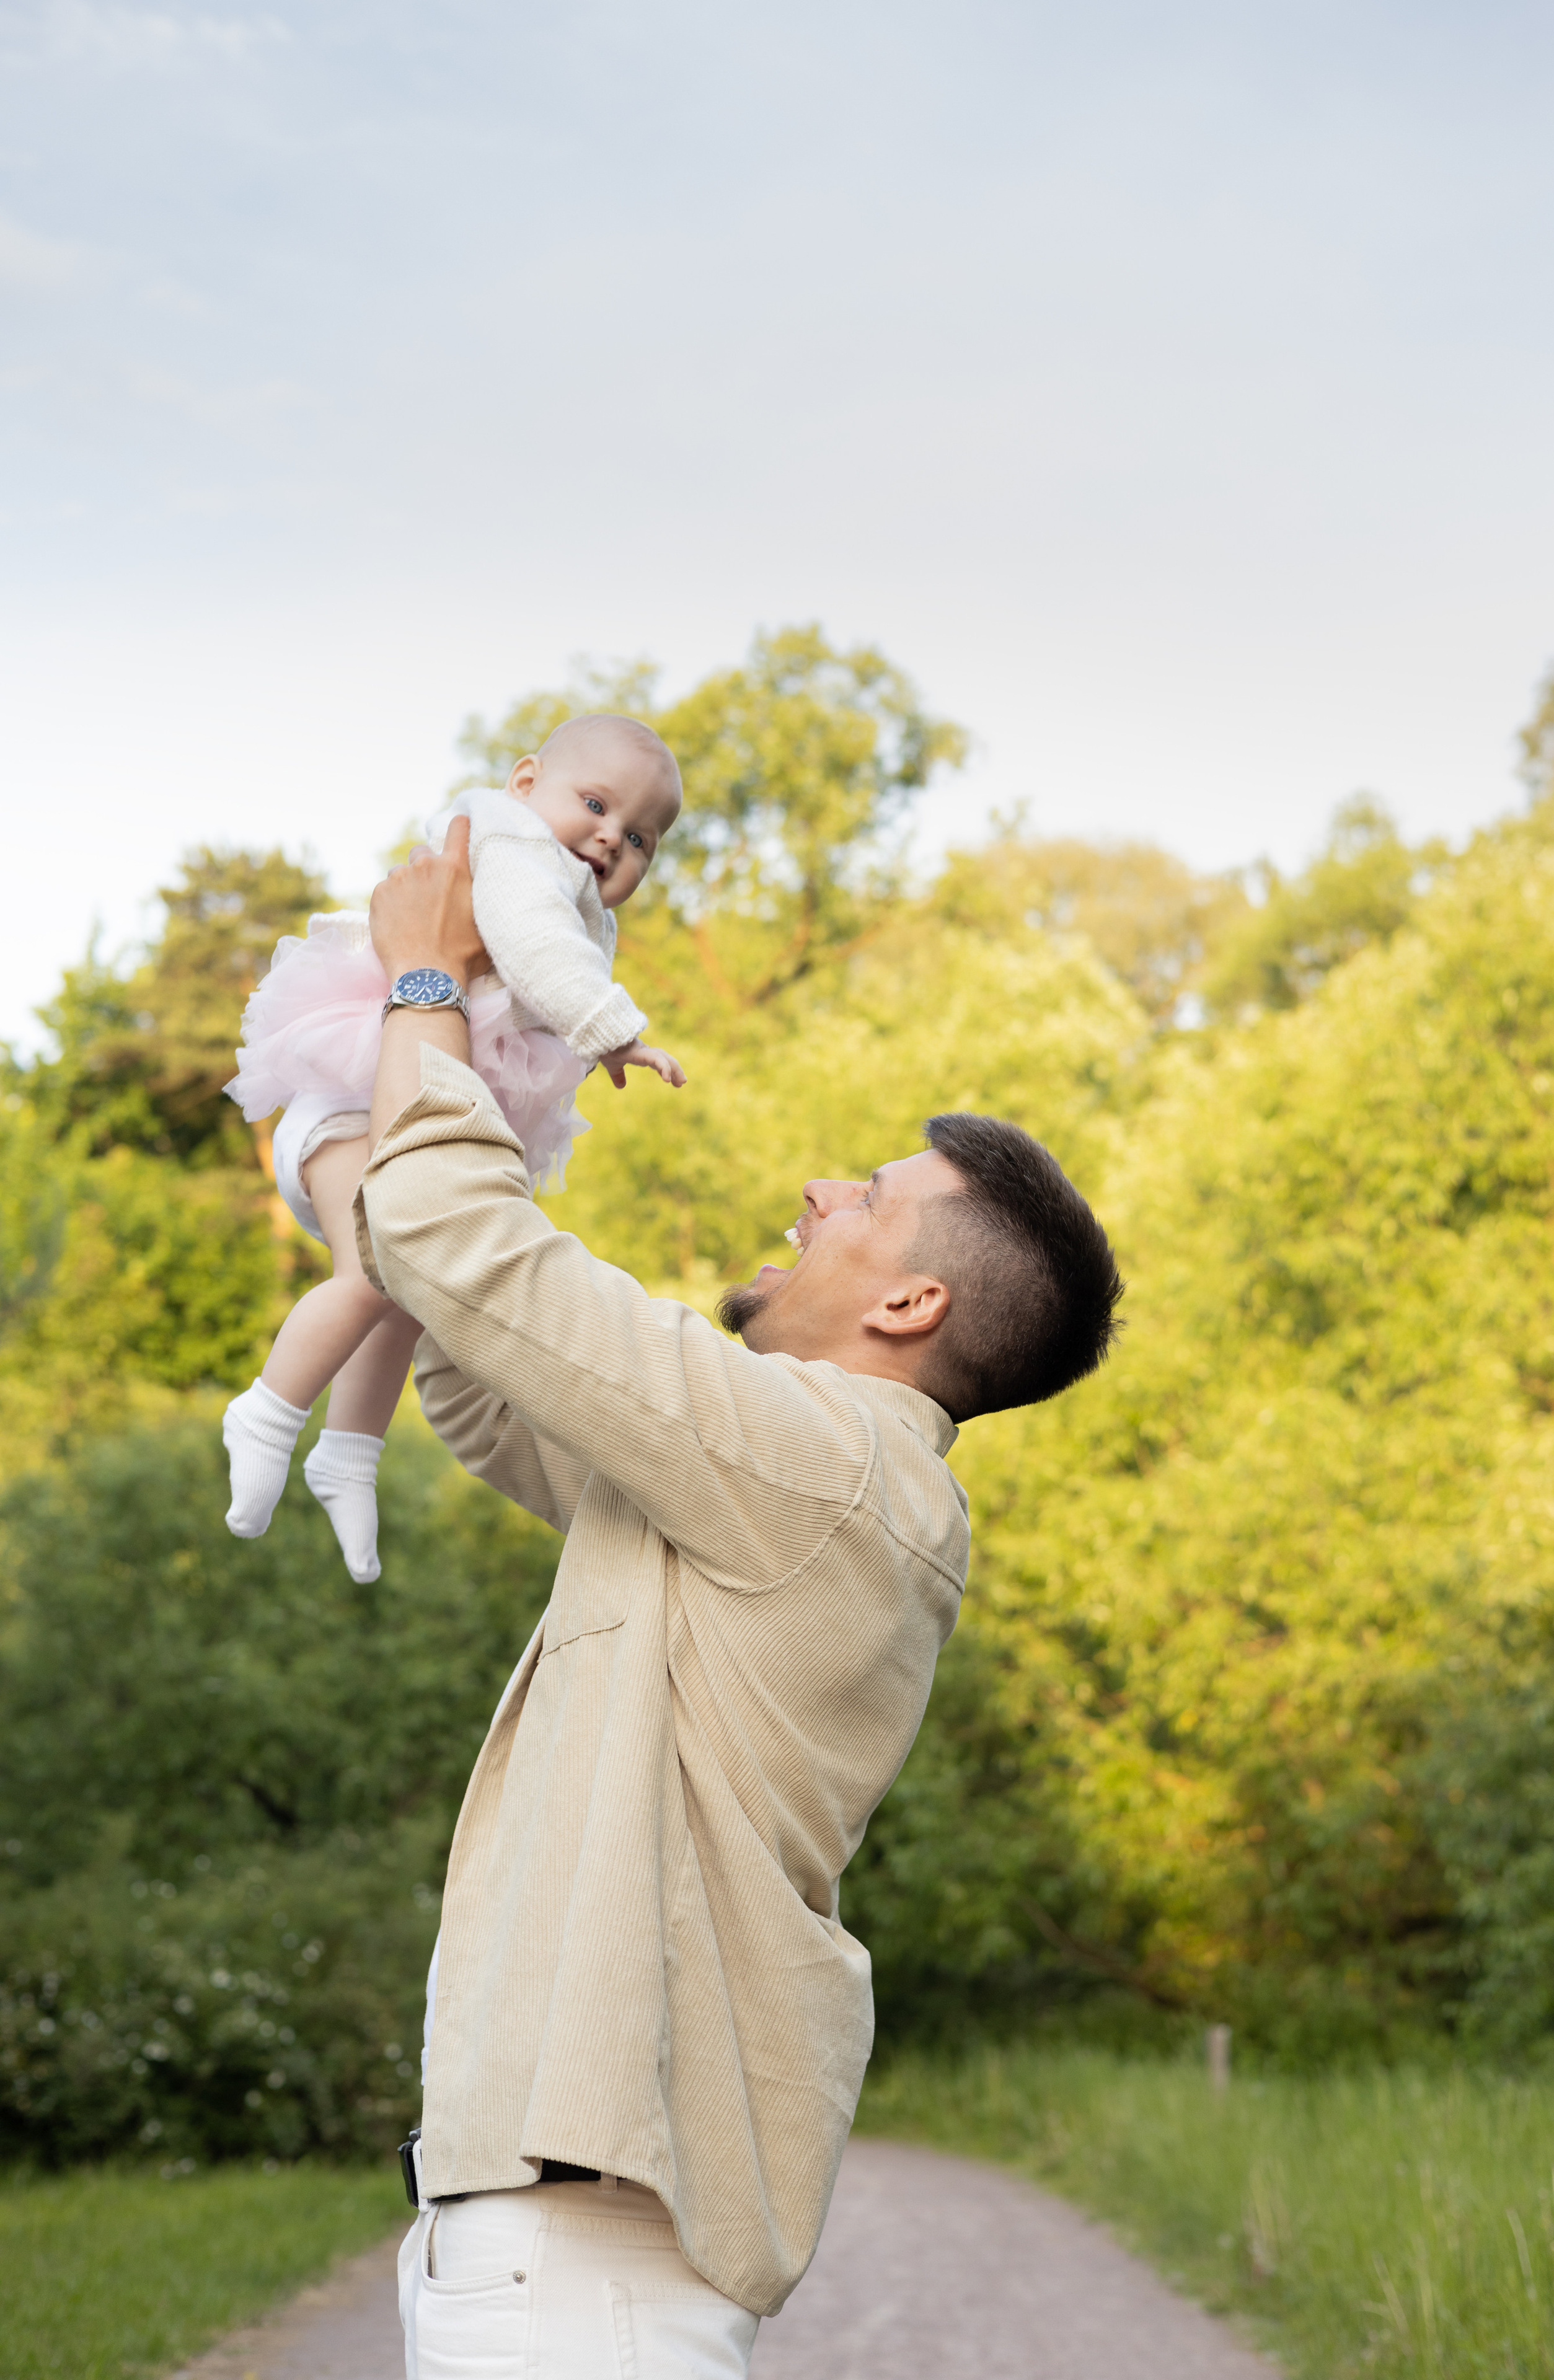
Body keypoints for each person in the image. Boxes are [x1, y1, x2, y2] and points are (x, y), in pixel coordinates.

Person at [354, 825, 1124, 2378]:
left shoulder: (820, 1469)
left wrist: (427, 978)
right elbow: (491, 1388)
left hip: (580, 2273)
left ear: (910, 1305)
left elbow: (468, 1250)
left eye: (868, 1198)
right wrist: (450, 1081)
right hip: (552, 2250)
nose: (817, 1189)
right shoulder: (784, 1490)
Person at [219, 713, 685, 1582]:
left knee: (405, 1291)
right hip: (352, 1095)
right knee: (370, 1269)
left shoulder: (577, 900)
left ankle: (348, 1458)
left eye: (641, 839)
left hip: (403, 1104)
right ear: (524, 783)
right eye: (594, 803)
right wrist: (614, 1033)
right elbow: (537, 947)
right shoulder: (513, 848)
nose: (611, 837)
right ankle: (267, 1413)